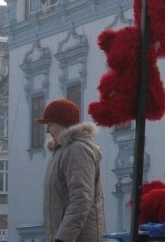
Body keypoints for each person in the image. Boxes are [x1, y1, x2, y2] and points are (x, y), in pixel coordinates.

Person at [35, 98, 106, 242]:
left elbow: (81, 198)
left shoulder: (77, 149)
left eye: (50, 124)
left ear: (63, 123)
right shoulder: (62, 151)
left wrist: (62, 239)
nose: (47, 130)